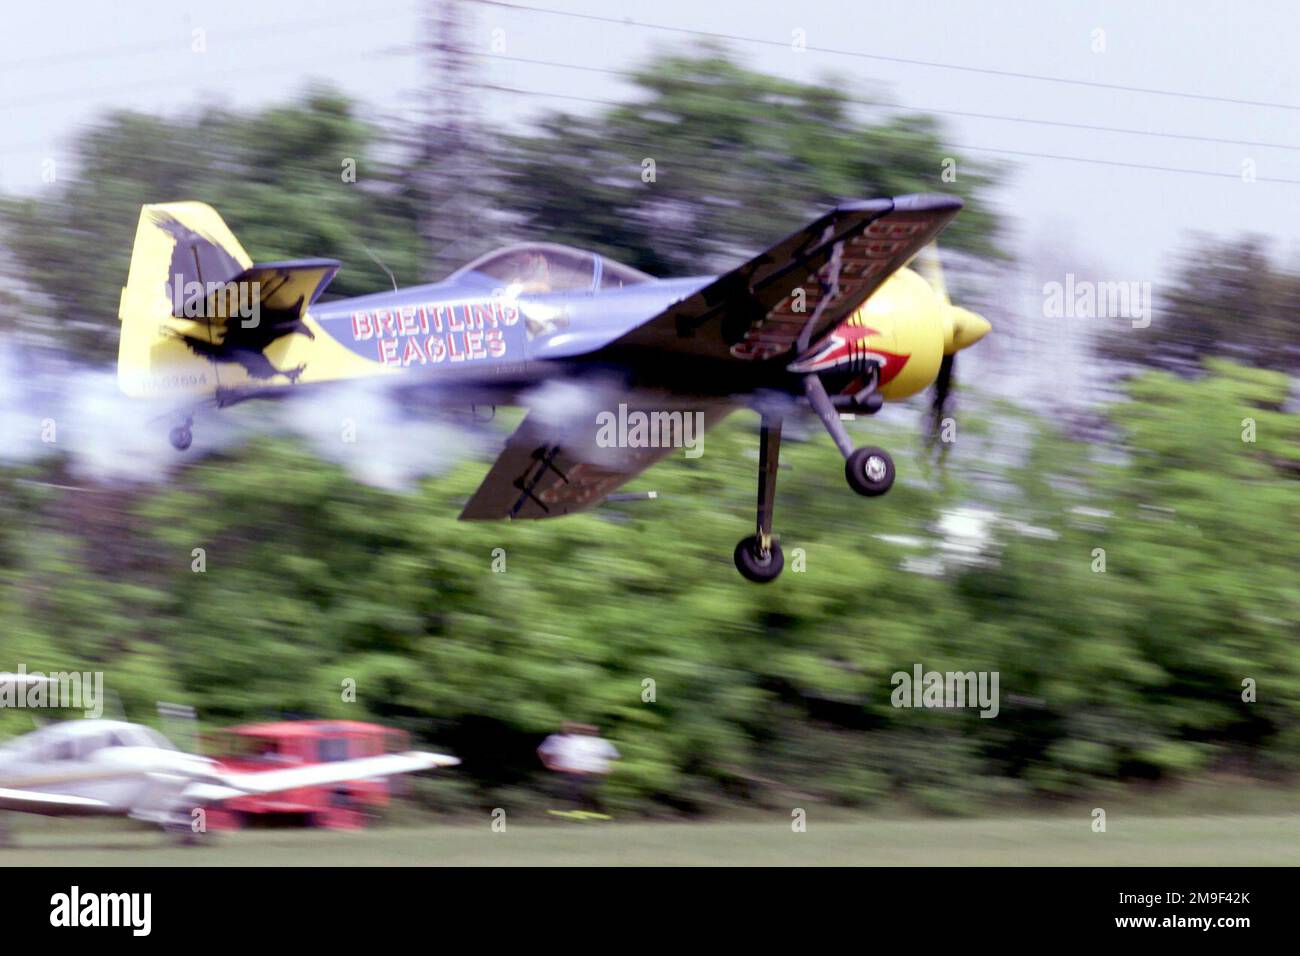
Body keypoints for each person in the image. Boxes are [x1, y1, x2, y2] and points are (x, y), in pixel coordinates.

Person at [537, 722, 620, 818]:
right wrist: (549, 764)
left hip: (594, 771)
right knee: (572, 790)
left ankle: (599, 813)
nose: (590, 732)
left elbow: (614, 756)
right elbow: (544, 751)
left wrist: (610, 768)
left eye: (593, 731)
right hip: (573, 770)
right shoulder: (574, 740)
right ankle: (575, 811)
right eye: (588, 731)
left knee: (589, 793)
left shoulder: (601, 742)